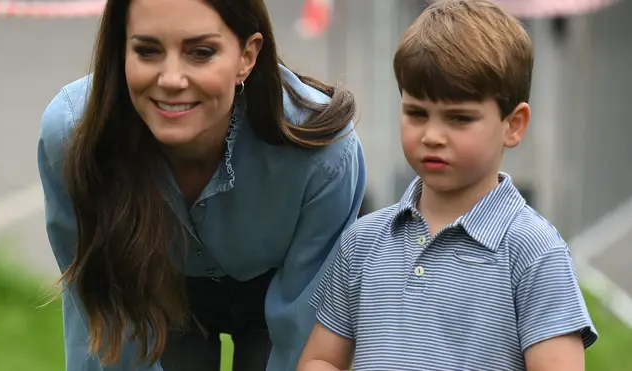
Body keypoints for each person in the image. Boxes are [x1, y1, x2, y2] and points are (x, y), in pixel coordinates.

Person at [36, 0, 366, 370]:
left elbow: (306, 334)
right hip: (156, 294)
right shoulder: (73, 135)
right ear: (120, 48)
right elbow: (108, 318)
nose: (172, 79)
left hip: (281, 292)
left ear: (247, 55)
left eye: (201, 52)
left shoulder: (324, 154)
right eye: (147, 50)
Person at [297, 1, 598, 370]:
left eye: (459, 118)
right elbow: (322, 359)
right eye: (417, 113)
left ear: (513, 124)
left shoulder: (534, 253)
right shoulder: (363, 243)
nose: (433, 136)